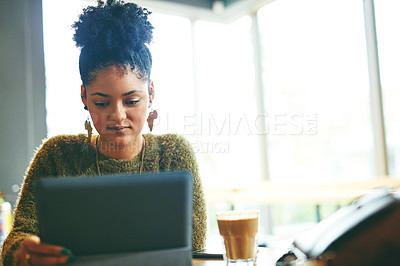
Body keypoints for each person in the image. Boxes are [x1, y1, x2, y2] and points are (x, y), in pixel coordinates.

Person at [1, 0, 207, 265]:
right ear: (84, 97)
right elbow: (15, 241)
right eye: (101, 102)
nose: (118, 116)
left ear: (151, 93)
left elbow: (196, 249)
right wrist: (23, 252)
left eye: (131, 101)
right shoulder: (56, 155)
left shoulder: (174, 153)